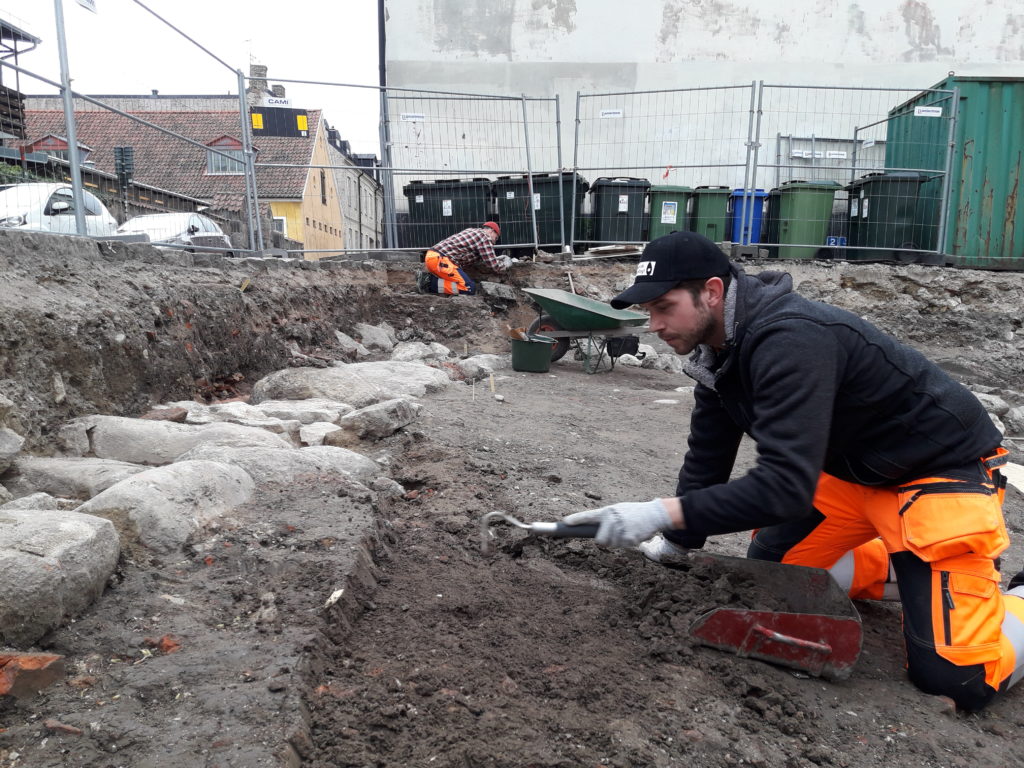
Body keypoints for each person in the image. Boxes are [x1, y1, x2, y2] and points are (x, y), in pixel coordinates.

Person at [562, 230, 1024, 711]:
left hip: (940, 473)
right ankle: (919, 574)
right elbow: (708, 456)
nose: (653, 324)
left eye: (663, 306)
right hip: (854, 477)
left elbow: (783, 488)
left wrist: (660, 513)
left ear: (713, 292)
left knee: (956, 679)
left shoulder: (793, 338)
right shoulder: (715, 353)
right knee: (769, 578)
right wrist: (678, 542)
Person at [417, 221, 512, 295]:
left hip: (432, 256)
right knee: (469, 288)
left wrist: (495, 258)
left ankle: (430, 280)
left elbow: (478, 255)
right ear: (491, 231)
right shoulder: (485, 237)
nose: (494, 242)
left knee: (462, 283)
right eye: (496, 237)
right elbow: (493, 264)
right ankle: (429, 283)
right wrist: (506, 265)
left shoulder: (472, 231)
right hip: (441, 260)